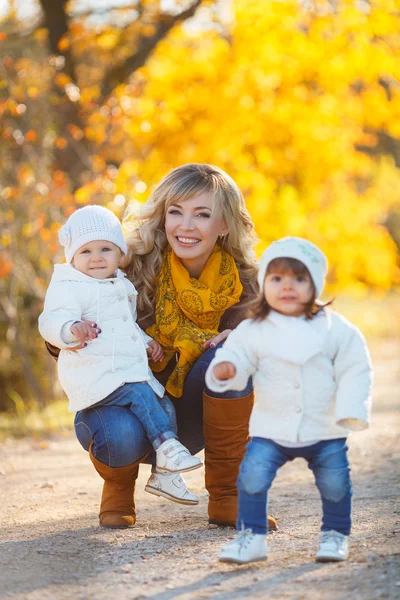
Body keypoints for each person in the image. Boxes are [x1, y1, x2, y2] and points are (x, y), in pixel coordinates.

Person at [45, 164, 277, 531]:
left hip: (191, 417)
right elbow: (67, 308)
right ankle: (118, 490)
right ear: (162, 216)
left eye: (203, 214)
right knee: (118, 433)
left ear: (225, 224)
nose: (186, 226)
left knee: (233, 354)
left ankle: (228, 497)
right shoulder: (128, 264)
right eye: (176, 212)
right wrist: (70, 336)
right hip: (122, 408)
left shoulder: (246, 284)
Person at [206, 236, 372, 564]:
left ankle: (335, 534)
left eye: (299, 279)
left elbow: (357, 367)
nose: (287, 287)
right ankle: (251, 537)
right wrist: (228, 369)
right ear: (264, 283)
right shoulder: (253, 329)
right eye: (277, 278)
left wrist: (351, 409)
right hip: (272, 426)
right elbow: (238, 354)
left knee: (335, 482)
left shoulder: (337, 330)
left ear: (315, 285)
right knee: (252, 476)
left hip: (324, 428)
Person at [39, 205, 202, 505]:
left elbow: (125, 326)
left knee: (163, 405)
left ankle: (165, 476)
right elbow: (49, 320)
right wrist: (70, 328)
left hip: (123, 374)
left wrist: (146, 342)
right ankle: (166, 446)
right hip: (96, 379)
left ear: (119, 252)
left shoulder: (118, 284)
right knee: (142, 392)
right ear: (72, 257)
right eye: (86, 251)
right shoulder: (69, 285)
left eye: (105, 248)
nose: (97, 257)